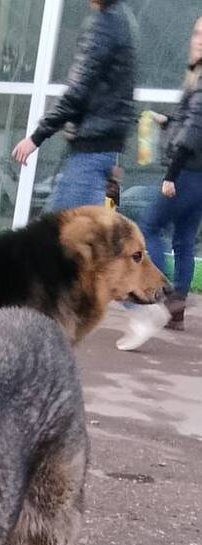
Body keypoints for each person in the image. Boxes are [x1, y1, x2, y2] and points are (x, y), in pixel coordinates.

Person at [117, 16, 202, 350]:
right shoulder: (196, 79)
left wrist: (171, 174)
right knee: (183, 239)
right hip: (199, 176)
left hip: (186, 173)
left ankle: (160, 298)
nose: (196, 39)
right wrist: (166, 121)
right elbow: (190, 123)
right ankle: (177, 305)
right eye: (196, 32)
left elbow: (193, 132)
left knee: (149, 226)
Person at [12, 0, 137, 212]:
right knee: (86, 224)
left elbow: (79, 90)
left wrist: (36, 138)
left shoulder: (103, 24)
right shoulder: (124, 19)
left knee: (63, 224)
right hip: (105, 147)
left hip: (91, 150)